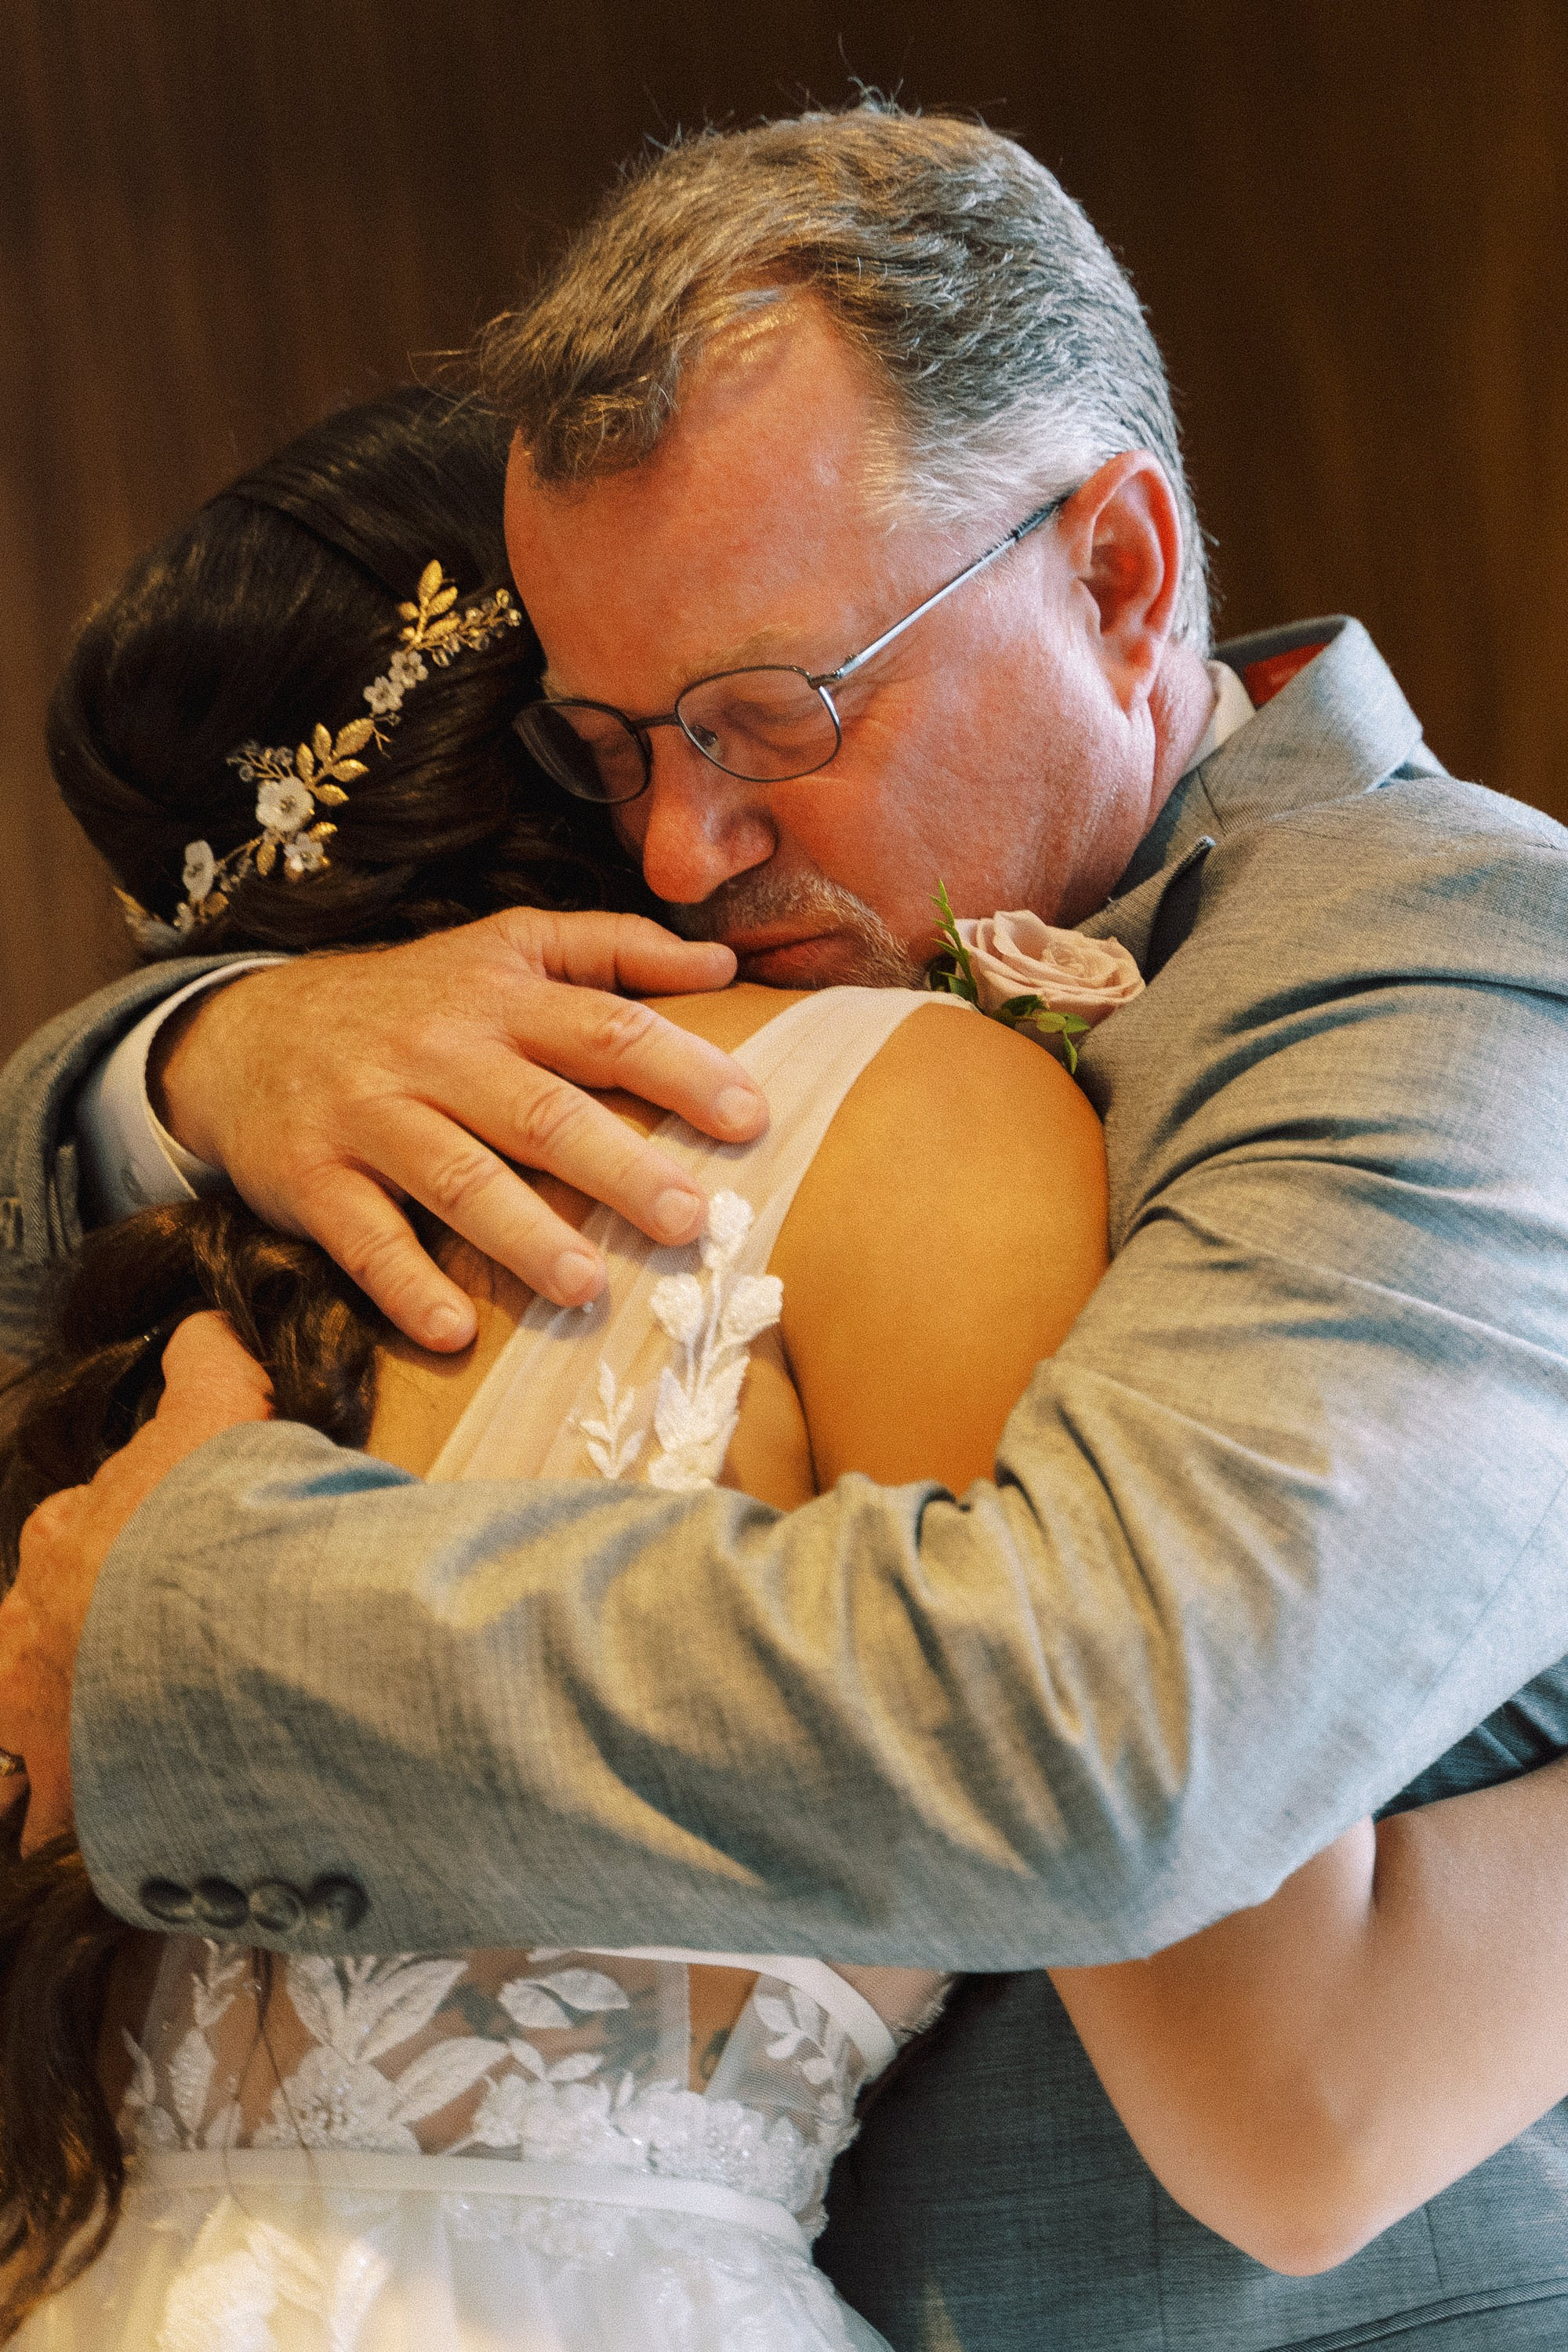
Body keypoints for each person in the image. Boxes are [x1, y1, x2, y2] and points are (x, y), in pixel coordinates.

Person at [5, 103, 1568, 2349]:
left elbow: (1100, 1715)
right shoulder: (625, 1051)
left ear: (1121, 573)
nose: (674, 847)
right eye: (612, 746)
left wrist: (188, 1636)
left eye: (767, 715)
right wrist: (196, 1057)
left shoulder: (1444, 963)